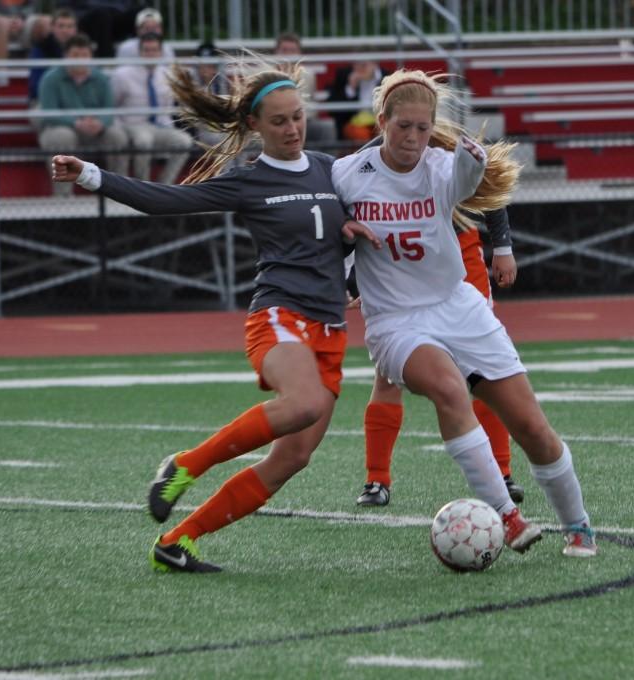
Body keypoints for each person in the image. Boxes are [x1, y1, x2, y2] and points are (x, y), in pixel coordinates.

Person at [51, 59, 380, 573]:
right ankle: (184, 465)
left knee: (293, 458)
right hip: (279, 314)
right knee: (304, 403)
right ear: (254, 126)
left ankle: (178, 541)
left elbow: (354, 224)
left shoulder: (327, 167)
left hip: (331, 327)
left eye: (297, 117)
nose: (292, 128)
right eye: (278, 121)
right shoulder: (247, 181)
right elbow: (164, 201)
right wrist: (91, 175)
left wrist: (354, 242)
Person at [331, 69, 598, 557]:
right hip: (395, 319)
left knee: (532, 428)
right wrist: (343, 244)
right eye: (402, 126)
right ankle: (507, 516)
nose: (412, 138)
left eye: (421, 127)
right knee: (449, 389)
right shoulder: (348, 174)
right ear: (382, 121)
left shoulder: (441, 167)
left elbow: (472, 180)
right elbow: (323, 228)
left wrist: (475, 166)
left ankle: (578, 523)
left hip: (458, 306)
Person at [354, 206, 526, 507]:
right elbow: (349, 210)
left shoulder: (451, 158)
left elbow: (489, 179)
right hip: (401, 261)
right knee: (387, 375)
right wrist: (349, 272)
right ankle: (376, 478)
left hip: (459, 253)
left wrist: (503, 246)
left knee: (484, 368)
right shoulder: (367, 163)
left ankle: (502, 472)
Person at [38, 33, 128, 197]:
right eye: (75, 55)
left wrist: (101, 123)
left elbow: (109, 110)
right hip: (61, 128)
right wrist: (76, 123)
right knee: (62, 137)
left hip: (95, 130)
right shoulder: (50, 78)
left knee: (117, 135)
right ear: (65, 56)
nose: (80, 59)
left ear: (91, 56)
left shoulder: (101, 78)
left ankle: (120, 194)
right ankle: (63, 198)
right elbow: (48, 113)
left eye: (84, 55)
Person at [111, 32, 193, 184]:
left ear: (161, 52)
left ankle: (166, 185)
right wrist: (119, 129)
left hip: (160, 126)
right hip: (134, 125)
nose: (150, 54)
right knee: (144, 141)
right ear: (140, 52)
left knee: (184, 141)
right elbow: (113, 105)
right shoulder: (122, 74)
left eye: (154, 50)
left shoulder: (167, 74)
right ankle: (143, 185)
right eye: (146, 50)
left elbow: (169, 107)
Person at [274, 32, 337, 146]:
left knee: (327, 127)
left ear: (299, 53)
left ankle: (328, 163)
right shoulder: (267, 74)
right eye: (284, 50)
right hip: (275, 121)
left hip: (304, 121)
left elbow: (312, 105)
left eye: (292, 51)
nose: (288, 55)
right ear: (276, 52)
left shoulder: (308, 75)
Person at [0, 0, 50, 70]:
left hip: (22, 19)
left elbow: (31, 6)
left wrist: (21, 18)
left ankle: (37, 73)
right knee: (1, 23)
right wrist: (8, 20)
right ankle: (2, 76)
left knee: (46, 22)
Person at [327, 59, 387, 141]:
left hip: (380, 121)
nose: (359, 68)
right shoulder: (344, 75)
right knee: (359, 133)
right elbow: (332, 110)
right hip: (355, 124)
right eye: (356, 64)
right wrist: (350, 89)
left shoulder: (386, 77)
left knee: (385, 131)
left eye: (363, 64)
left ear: (374, 64)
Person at [27, 9, 77, 104]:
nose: (65, 30)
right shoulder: (40, 48)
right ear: (52, 28)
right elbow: (36, 86)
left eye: (70, 26)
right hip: (45, 99)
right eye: (61, 26)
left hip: (75, 100)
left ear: (76, 29)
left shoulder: (83, 48)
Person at [63, 0, 140, 58]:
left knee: (140, 12)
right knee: (103, 16)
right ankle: (105, 61)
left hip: (116, 17)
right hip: (88, 18)